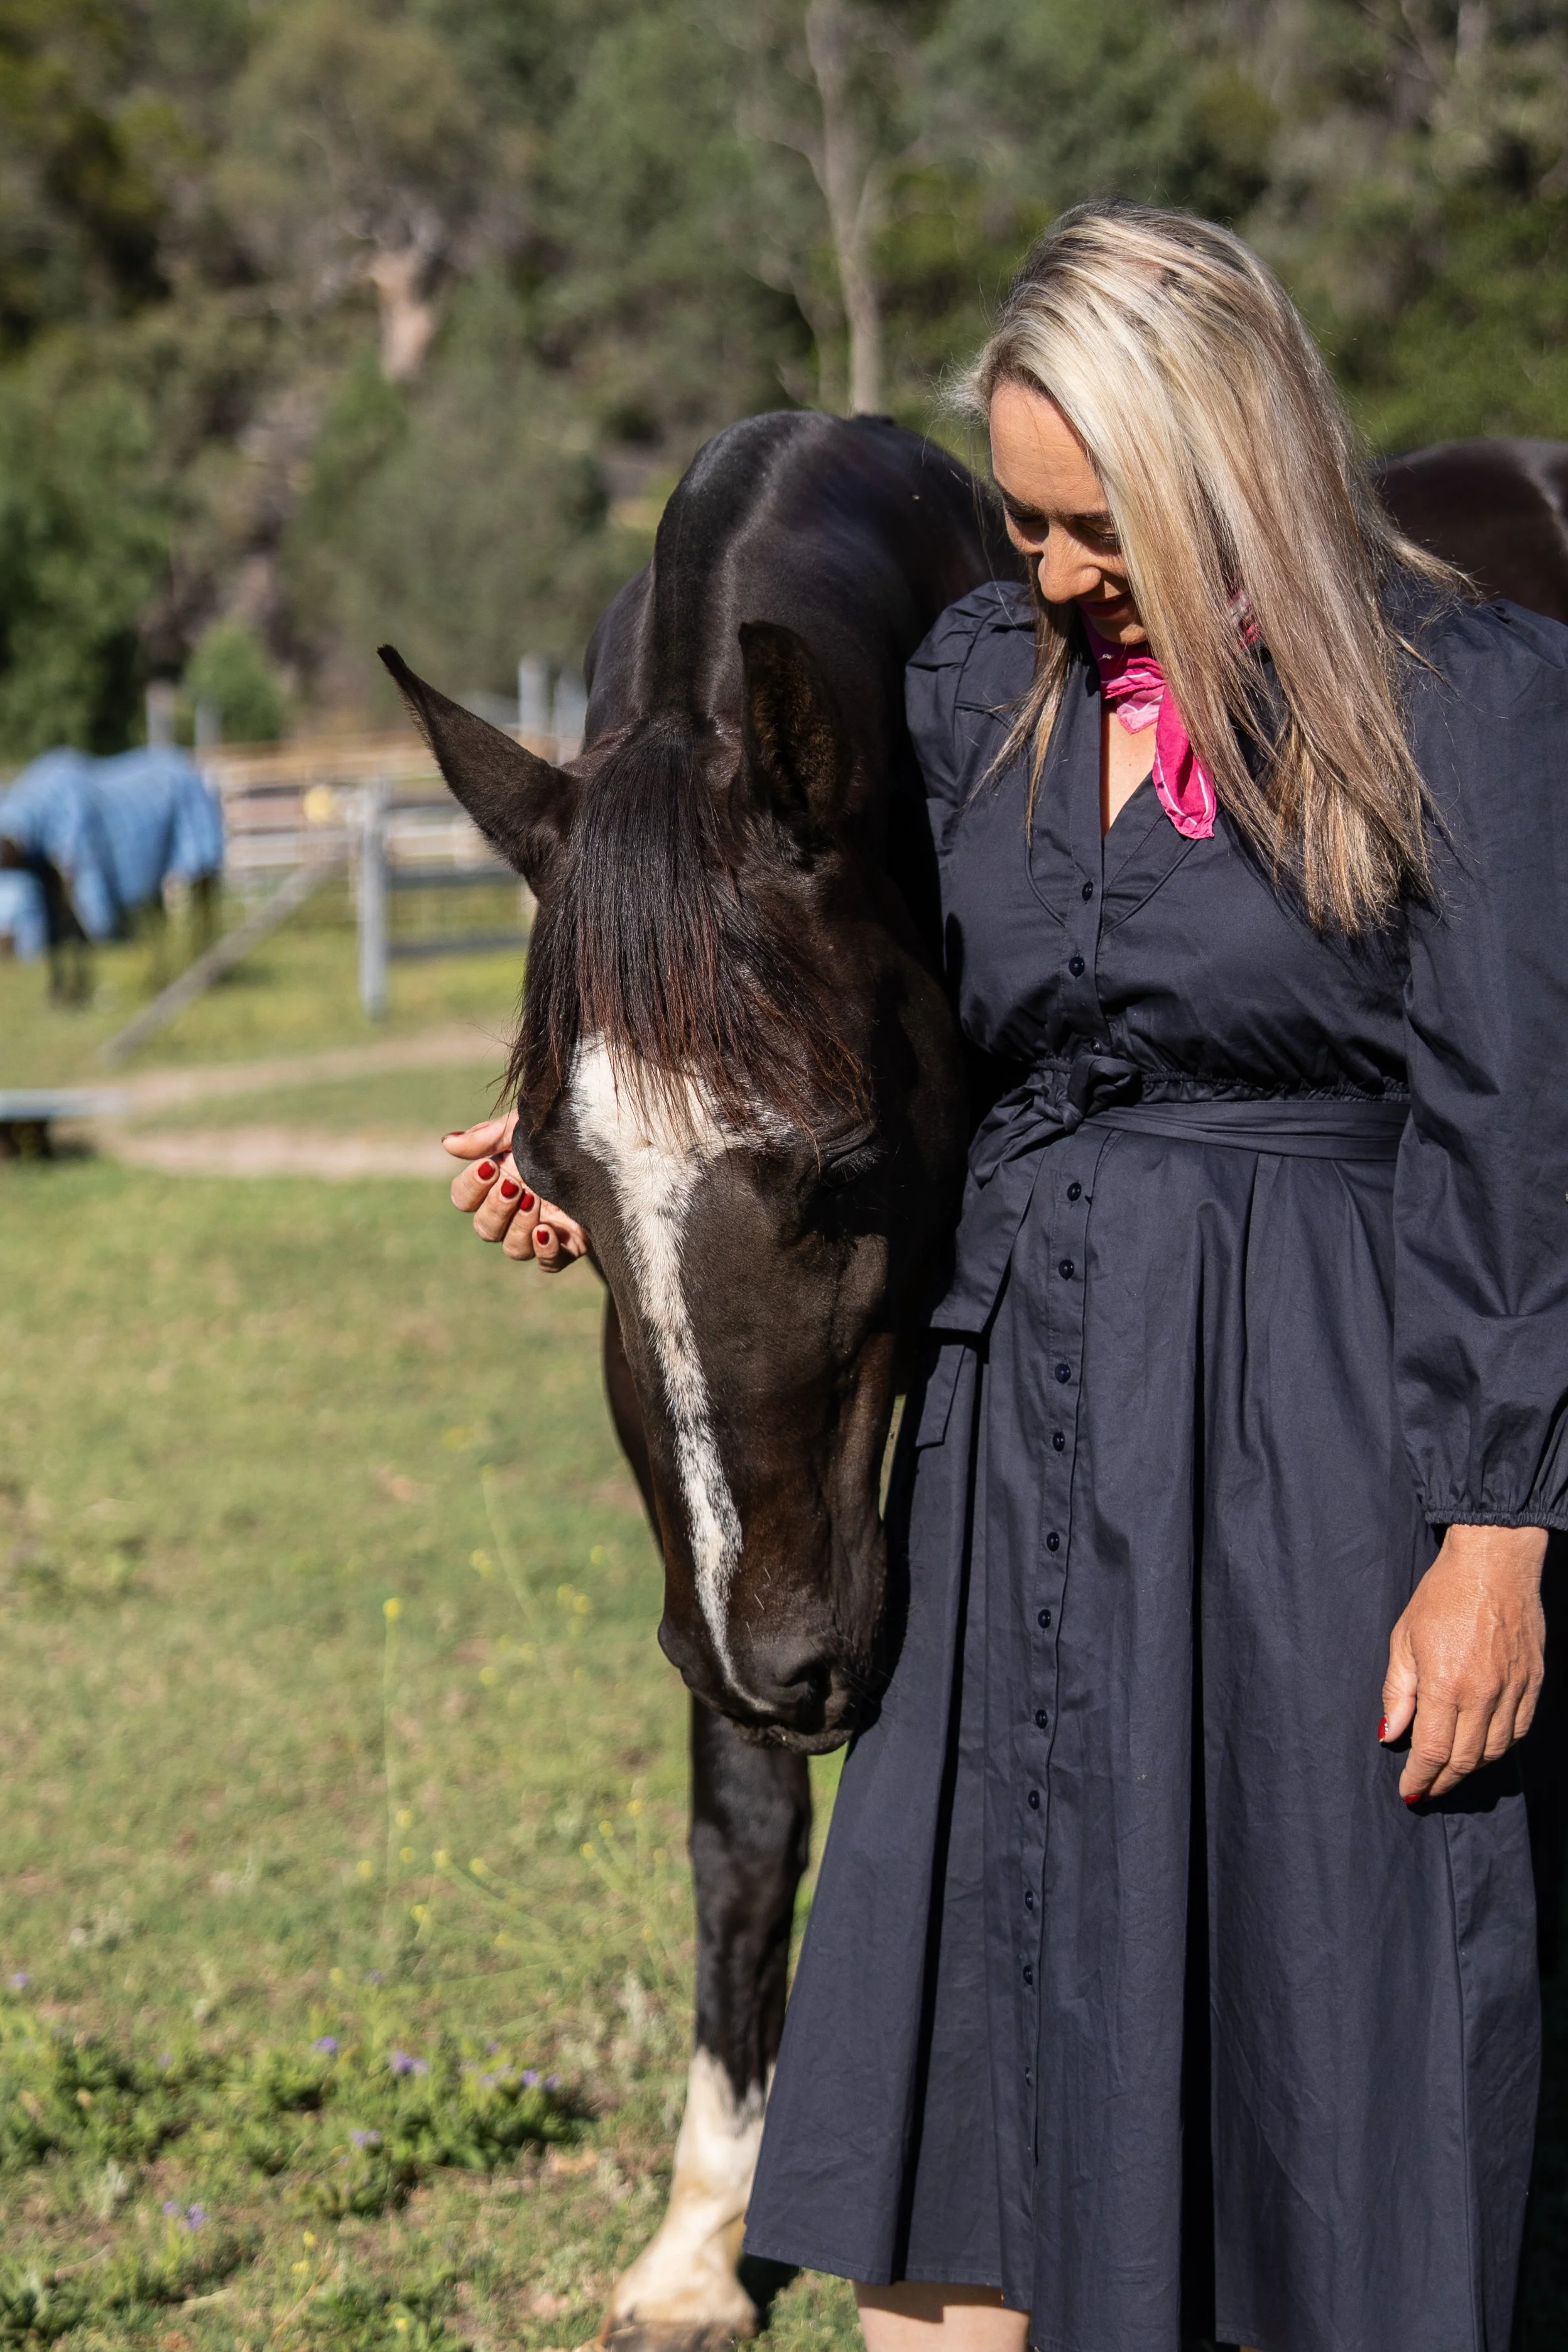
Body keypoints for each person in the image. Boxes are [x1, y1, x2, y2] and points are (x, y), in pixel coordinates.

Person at [445, 203, 1567, 2352]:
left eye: (1088, 526)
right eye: (1030, 525)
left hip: (1318, 1438)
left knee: (1317, 2097)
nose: (1047, 574)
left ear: (1224, 463)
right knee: (949, 2186)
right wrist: (605, 1145)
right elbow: (849, 1019)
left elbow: (1526, 1135)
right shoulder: (984, 696)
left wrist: (1498, 1534)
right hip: (1022, 1444)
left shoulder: (1471, 708)